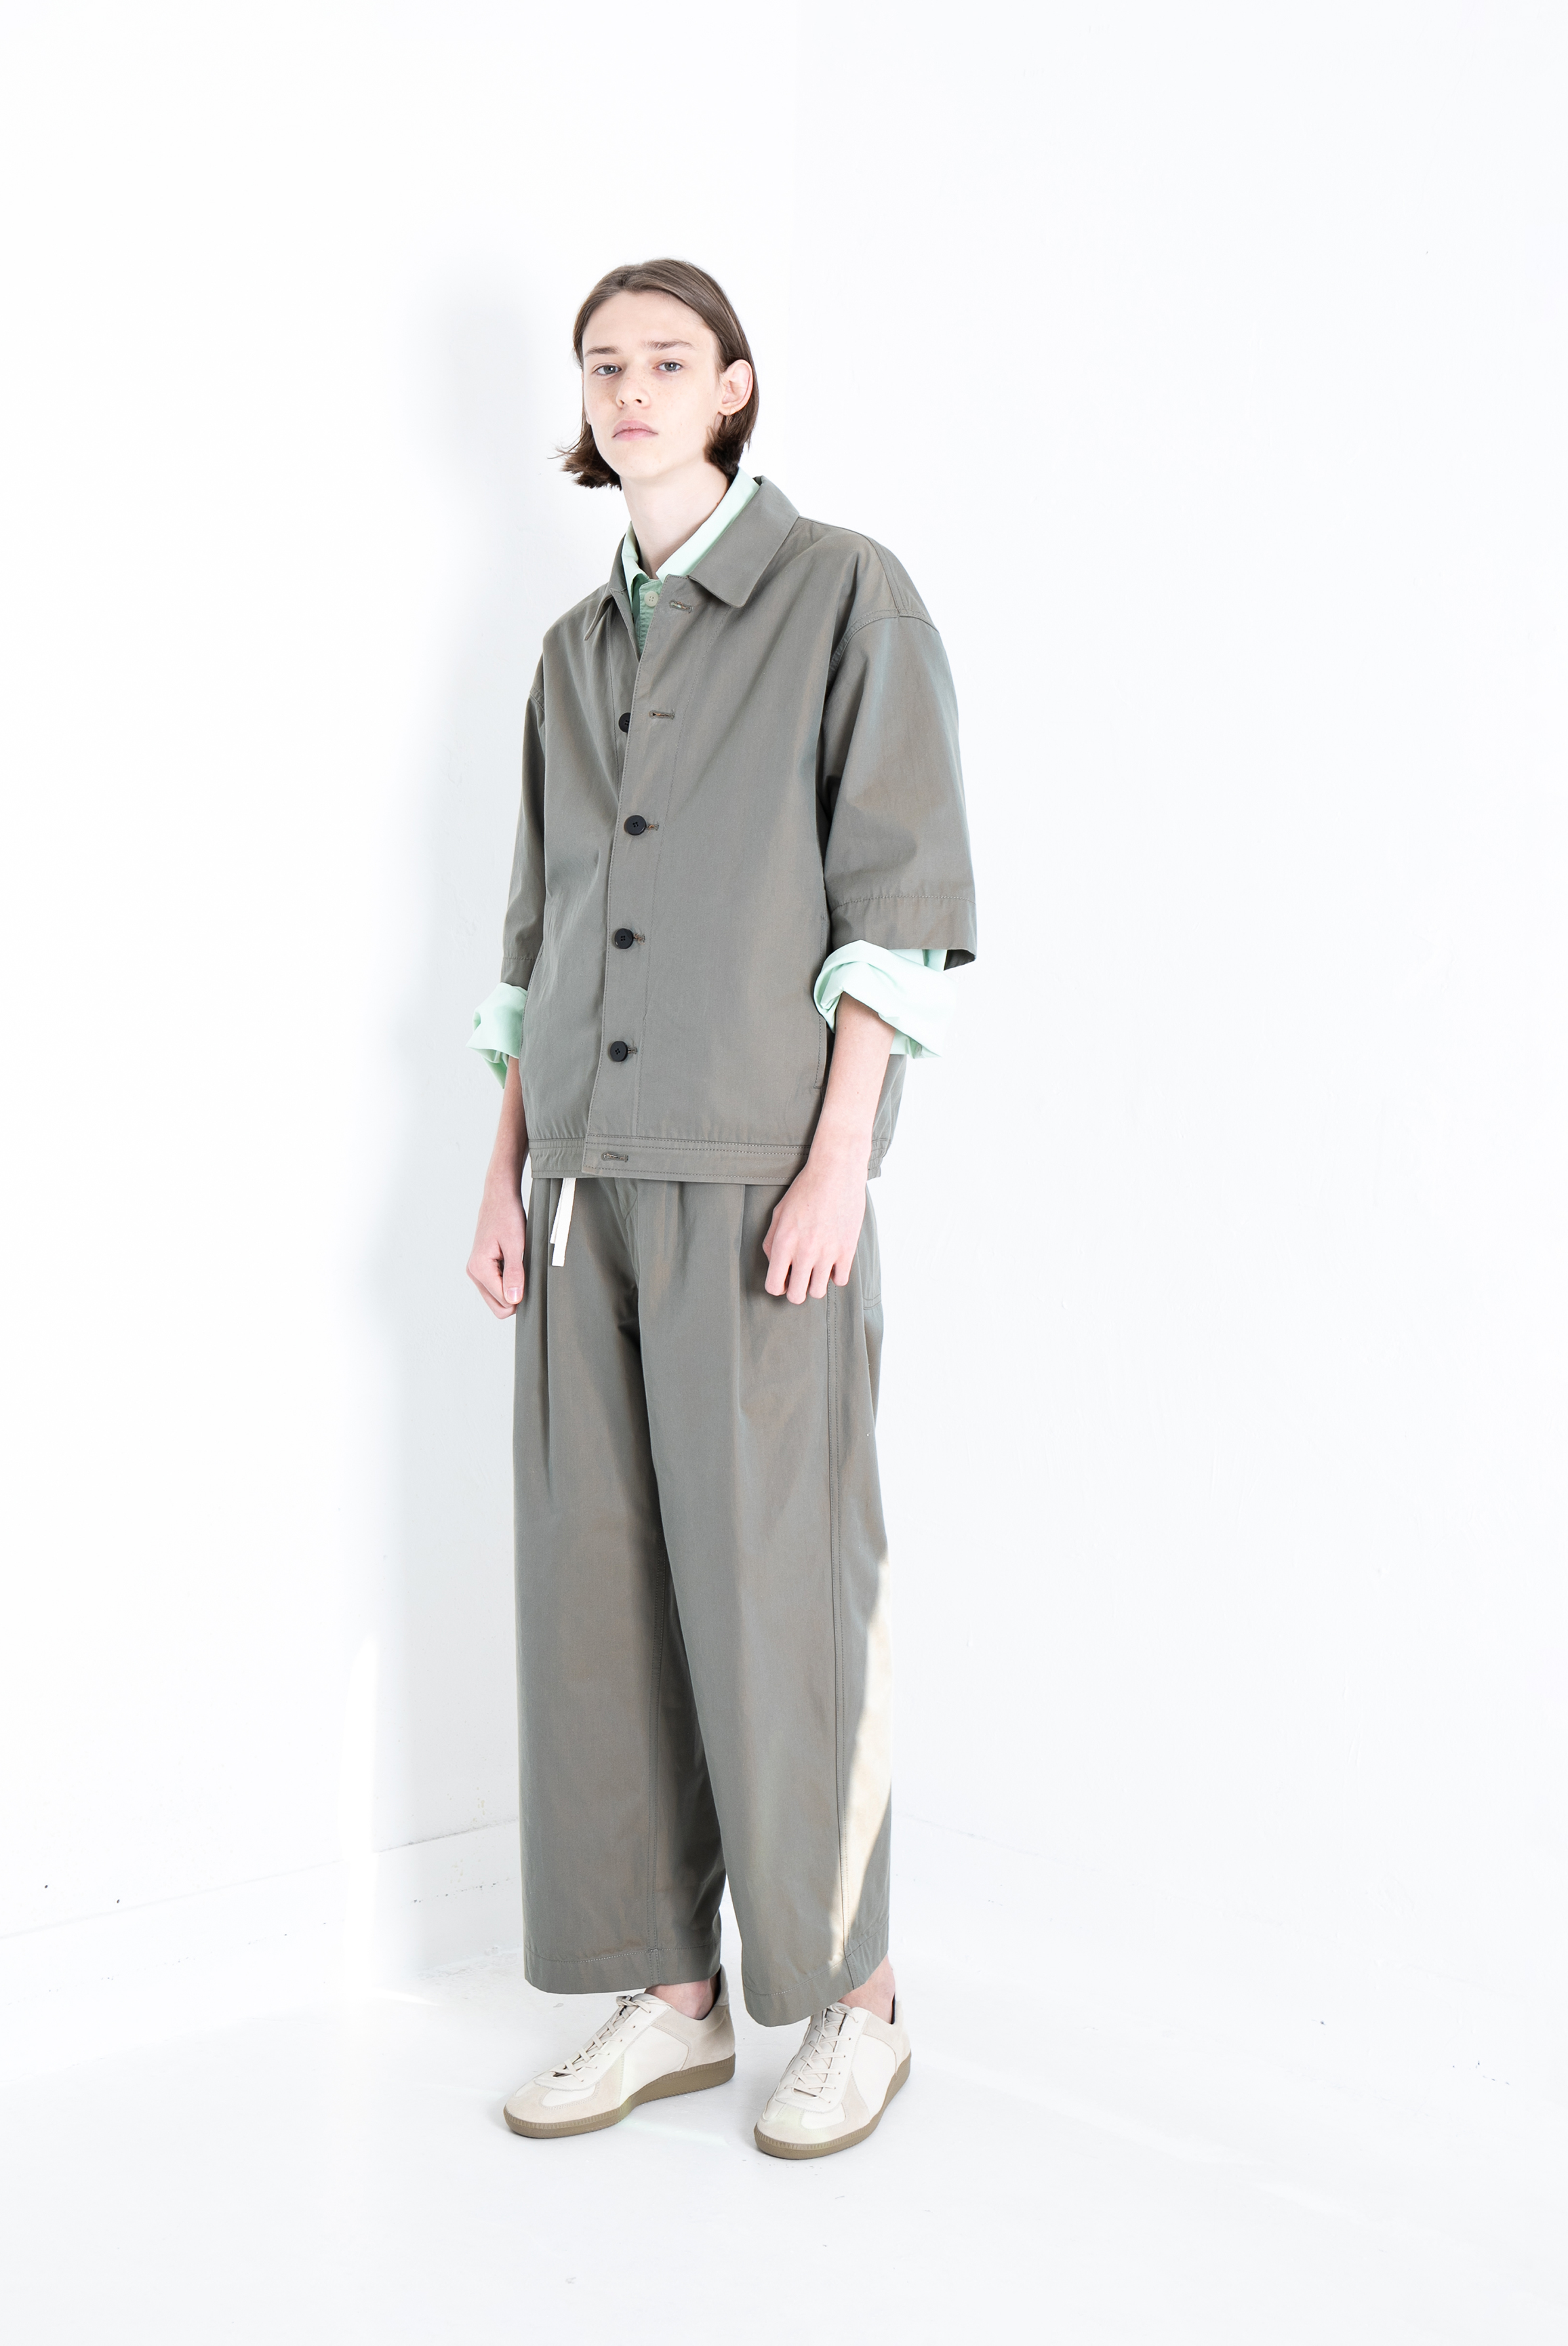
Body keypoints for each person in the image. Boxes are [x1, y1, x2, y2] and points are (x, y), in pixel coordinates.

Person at [464, 258, 976, 2158]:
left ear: (733, 386)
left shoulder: (845, 594)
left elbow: (898, 904)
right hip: (583, 1182)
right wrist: (504, 1169)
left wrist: (840, 1157)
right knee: (595, 1595)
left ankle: (859, 2000)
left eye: (667, 360)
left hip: (762, 1178)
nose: (631, 389)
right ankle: (669, 1998)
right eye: (604, 364)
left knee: (784, 1596)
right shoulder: (568, 654)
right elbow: (536, 934)